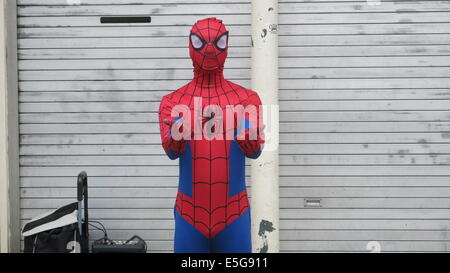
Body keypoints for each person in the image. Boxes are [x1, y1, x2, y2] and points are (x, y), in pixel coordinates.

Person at [158, 17, 265, 253]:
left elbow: (256, 152)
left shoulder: (247, 99)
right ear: (190, 46)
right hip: (189, 214)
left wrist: (250, 138)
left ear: (227, 45)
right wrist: (176, 135)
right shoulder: (172, 102)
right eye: (200, 42)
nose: (209, 50)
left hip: (233, 214)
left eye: (218, 42)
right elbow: (171, 153)